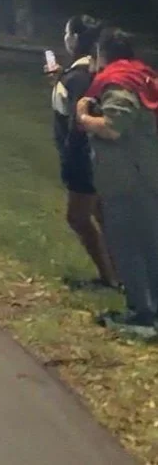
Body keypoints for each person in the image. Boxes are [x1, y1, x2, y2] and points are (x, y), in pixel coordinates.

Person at [78, 28, 158, 336]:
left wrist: (84, 118)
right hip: (148, 173)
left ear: (102, 54)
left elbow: (114, 127)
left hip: (127, 179)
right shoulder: (144, 76)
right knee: (151, 244)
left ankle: (141, 314)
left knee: (128, 247)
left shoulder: (118, 81)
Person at [50, 15, 116, 287]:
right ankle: (121, 273)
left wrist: (71, 157)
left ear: (75, 39)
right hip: (93, 156)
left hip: (82, 158)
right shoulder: (85, 71)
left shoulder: (79, 77)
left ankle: (109, 276)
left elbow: (80, 118)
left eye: (67, 33)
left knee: (78, 217)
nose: (65, 38)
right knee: (102, 215)